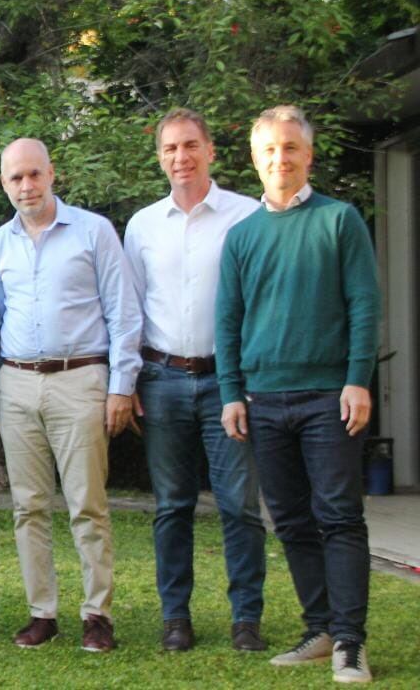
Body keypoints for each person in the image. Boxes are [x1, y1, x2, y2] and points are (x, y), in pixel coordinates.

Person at [216, 105, 380, 684]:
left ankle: (351, 643)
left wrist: (358, 379)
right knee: (289, 520)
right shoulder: (242, 237)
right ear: (255, 159)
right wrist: (232, 392)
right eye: (268, 150)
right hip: (263, 401)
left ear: (308, 156)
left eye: (290, 148)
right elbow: (228, 321)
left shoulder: (340, 221)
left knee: (339, 516)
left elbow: (364, 305)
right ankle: (322, 627)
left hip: (328, 398)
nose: (279, 159)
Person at [0, 138, 141, 653]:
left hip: (80, 380)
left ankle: (97, 613)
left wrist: (122, 386)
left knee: (86, 504)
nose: (25, 186)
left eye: (33, 174)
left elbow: (123, 313)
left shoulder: (93, 231)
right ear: (4, 183)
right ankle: (41, 612)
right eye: (15, 178)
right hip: (17, 382)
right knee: (28, 506)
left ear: (52, 174)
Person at [123, 108, 267, 652]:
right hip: (161, 379)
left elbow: (259, 305)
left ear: (210, 150)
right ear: (159, 157)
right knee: (172, 505)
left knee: (238, 505)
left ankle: (245, 618)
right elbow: (130, 309)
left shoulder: (247, 217)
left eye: (189, 146)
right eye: (169, 149)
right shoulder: (142, 226)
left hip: (228, 383)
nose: (180, 158)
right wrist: (131, 379)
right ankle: (175, 617)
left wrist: (250, 382)